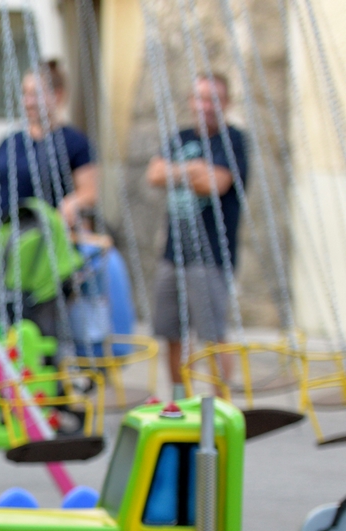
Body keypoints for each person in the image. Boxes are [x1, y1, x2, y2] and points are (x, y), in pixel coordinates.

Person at [148, 74, 247, 398]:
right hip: (172, 252)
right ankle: (180, 400)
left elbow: (216, 184)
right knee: (171, 333)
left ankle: (221, 405)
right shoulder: (180, 136)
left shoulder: (233, 140)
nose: (205, 106)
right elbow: (154, 174)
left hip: (212, 254)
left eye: (213, 99)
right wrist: (194, 168)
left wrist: (177, 171)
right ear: (191, 101)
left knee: (212, 334)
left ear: (226, 103)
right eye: (200, 98)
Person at [0, 61, 99, 235]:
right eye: (25, 94)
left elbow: (90, 191)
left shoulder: (74, 143)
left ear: (58, 95)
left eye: (35, 95)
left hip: (38, 247)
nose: (28, 102)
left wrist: (72, 203)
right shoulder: (9, 142)